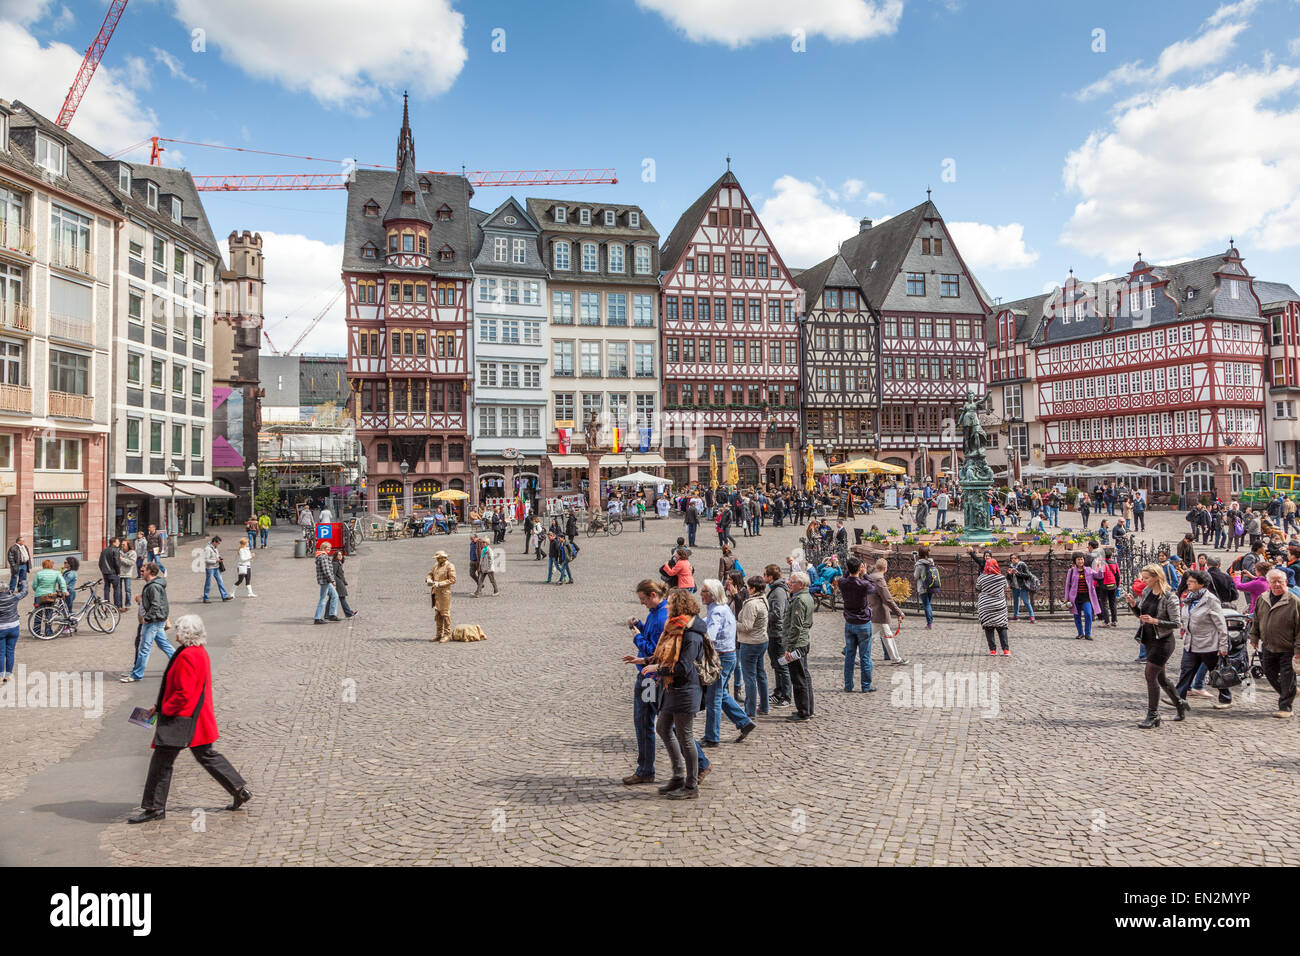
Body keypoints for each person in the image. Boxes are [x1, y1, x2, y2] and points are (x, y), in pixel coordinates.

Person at [127, 614, 252, 824]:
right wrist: (158, 706)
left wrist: (164, 710)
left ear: (185, 634)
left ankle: (154, 807)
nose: (175, 633)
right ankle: (238, 789)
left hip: (182, 719)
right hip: (196, 718)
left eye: (178, 630)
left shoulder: (188, 655)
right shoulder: (197, 652)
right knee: (207, 755)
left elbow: (184, 693)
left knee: (161, 762)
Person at [640, 589, 707, 800]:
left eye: (670, 603)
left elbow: (684, 667)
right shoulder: (675, 628)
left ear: (679, 606)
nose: (666, 606)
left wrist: (657, 670)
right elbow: (665, 655)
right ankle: (678, 775)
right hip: (673, 688)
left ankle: (691, 785)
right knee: (662, 727)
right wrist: (643, 661)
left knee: (685, 736)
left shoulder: (691, 633)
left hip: (686, 690)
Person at [1125, 565, 1188, 728]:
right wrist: (1133, 605)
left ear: (1156, 577)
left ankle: (1153, 714)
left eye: (1146, 578)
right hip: (1149, 639)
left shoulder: (1170, 597)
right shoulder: (1146, 592)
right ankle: (1179, 703)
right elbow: (1142, 615)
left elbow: (1176, 623)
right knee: (1161, 678)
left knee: (1150, 675)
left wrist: (1156, 621)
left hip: (1164, 641)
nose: (1143, 581)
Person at [699, 579, 755, 746]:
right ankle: (744, 722)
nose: (701, 594)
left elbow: (710, 635)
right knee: (721, 693)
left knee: (713, 698)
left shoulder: (717, 611)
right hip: (728, 655)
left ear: (712, 594)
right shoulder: (719, 608)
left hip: (721, 657)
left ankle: (712, 737)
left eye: (704, 591)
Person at [623, 580, 669, 785]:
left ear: (652, 595)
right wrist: (639, 625)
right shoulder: (656, 614)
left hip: (650, 679)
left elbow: (652, 651)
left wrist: (636, 635)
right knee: (655, 722)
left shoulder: (661, 617)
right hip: (649, 677)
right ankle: (645, 769)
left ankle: (645, 769)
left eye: (643, 599)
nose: (642, 603)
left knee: (645, 722)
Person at [1175, 570, 1232, 710]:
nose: (1188, 583)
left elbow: (1221, 624)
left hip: (1208, 644)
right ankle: (1178, 699)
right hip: (1191, 642)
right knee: (1186, 670)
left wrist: (1223, 645)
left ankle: (1226, 698)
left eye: (1192, 581)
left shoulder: (1211, 600)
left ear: (1201, 584)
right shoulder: (1189, 598)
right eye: (1188, 581)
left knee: (1215, 672)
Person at [1249, 568, 1300, 718]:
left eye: (1280, 581)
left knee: (1286, 676)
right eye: (1274, 581)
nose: (1277, 584)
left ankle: (1285, 706)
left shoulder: (1294, 601)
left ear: (1286, 582)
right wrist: (1254, 637)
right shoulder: (1263, 598)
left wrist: (1298, 650)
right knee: (1269, 673)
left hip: (1287, 647)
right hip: (1268, 644)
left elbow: (1299, 628)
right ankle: (1289, 692)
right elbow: (1257, 619)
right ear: (1269, 583)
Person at [122, 563, 173, 683]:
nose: (140, 572)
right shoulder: (152, 585)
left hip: (153, 621)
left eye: (142, 570)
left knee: (144, 648)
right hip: (155, 620)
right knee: (164, 645)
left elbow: (156, 604)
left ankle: (136, 674)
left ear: (150, 572)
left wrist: (147, 617)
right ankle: (181, 663)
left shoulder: (153, 586)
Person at [837, 555, 877, 692]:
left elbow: (844, 576)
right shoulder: (864, 584)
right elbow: (873, 588)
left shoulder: (842, 582)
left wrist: (852, 570)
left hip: (849, 622)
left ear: (847, 568)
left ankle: (848, 685)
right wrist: (865, 574)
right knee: (865, 656)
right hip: (863, 623)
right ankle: (866, 686)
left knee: (849, 656)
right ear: (860, 569)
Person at [782, 571, 815, 721]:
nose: (789, 583)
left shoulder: (799, 600)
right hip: (803, 641)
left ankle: (803, 712)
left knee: (799, 678)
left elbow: (796, 626)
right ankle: (809, 708)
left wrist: (789, 647)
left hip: (797, 644)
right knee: (805, 676)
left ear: (801, 585)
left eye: (792, 582)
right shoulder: (808, 597)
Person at [735, 575, 770, 720]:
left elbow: (747, 627)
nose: (747, 590)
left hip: (751, 643)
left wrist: (733, 623)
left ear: (753, 588)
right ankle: (764, 706)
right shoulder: (763, 600)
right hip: (761, 640)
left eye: (749, 587)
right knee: (760, 673)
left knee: (750, 677)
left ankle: (750, 710)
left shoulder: (751, 604)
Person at [866, 556, 907, 665]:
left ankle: (895, 658)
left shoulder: (870, 577)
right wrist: (899, 612)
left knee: (886, 635)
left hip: (872, 610)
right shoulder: (879, 579)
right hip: (879, 612)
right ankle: (857, 656)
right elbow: (888, 599)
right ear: (885, 568)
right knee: (870, 637)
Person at [764, 564, 793, 707]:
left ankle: (786, 697)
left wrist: (762, 614)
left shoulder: (778, 592)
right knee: (776, 664)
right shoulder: (774, 590)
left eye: (765, 575)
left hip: (778, 633)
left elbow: (777, 613)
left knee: (782, 665)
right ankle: (778, 693)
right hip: (773, 632)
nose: (764, 578)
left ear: (770, 577)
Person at [973, 554, 1011, 655]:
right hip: (999, 606)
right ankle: (1006, 650)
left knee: (988, 627)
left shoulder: (981, 578)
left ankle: (992, 650)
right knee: (1002, 626)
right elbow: (1005, 588)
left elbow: (977, 588)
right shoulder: (1001, 578)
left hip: (985, 606)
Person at [1065, 551, 1102, 640]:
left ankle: (1088, 633)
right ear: (1075, 561)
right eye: (1078, 559)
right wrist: (1066, 598)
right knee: (1076, 615)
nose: (1080, 561)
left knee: (1088, 614)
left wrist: (1099, 567)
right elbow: (1067, 585)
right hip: (1075, 596)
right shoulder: (1071, 571)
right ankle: (1080, 633)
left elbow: (1099, 576)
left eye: (1082, 559)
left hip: (1086, 597)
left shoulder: (1089, 570)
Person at [425, 550, 456, 641]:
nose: (437, 560)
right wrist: (429, 579)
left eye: (438, 558)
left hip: (444, 593)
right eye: (437, 558)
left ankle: (446, 634)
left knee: (445, 614)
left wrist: (440, 583)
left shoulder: (450, 566)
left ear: (444, 558)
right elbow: (430, 574)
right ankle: (439, 634)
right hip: (435, 592)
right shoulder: (436, 565)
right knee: (437, 613)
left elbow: (452, 579)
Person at [0, 580, 26, 682]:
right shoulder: (14, 597)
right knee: (10, 651)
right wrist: (23, 582)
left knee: (1, 652)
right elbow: (25, 592)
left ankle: (0, 675)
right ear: (8, 590)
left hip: (1, 628)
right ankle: (8, 675)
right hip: (13, 627)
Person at [314, 541, 341, 624]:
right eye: (327, 548)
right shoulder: (323, 557)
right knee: (322, 599)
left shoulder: (323, 556)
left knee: (335, 596)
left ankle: (332, 615)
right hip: (325, 581)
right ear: (323, 548)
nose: (329, 549)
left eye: (330, 547)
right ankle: (317, 618)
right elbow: (326, 570)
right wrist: (332, 580)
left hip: (326, 581)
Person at [912, 546, 939, 629]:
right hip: (931, 586)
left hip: (922, 587)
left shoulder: (919, 564)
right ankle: (930, 620)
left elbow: (916, 577)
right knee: (928, 604)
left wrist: (915, 568)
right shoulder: (931, 562)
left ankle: (929, 623)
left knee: (926, 605)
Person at [1006, 551, 1037, 623]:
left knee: (1026, 601)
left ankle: (1032, 616)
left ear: (1019, 559)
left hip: (1022, 586)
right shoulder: (1011, 566)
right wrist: (1009, 574)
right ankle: (1016, 615)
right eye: (1012, 558)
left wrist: (1017, 573)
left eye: (1015, 558)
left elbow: (1028, 575)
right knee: (1015, 601)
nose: (1013, 559)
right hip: (1014, 586)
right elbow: (1008, 577)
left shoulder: (1022, 565)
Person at [201, 536, 232, 603]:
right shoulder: (207, 549)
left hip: (216, 568)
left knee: (220, 582)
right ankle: (205, 598)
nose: (218, 545)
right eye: (218, 543)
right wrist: (216, 560)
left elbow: (216, 555)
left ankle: (224, 596)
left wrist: (219, 558)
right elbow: (206, 560)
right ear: (214, 542)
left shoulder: (215, 548)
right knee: (208, 583)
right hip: (210, 568)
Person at [332, 550, 358, 619]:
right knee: (342, 597)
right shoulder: (335, 563)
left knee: (332, 598)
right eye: (338, 555)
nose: (340, 556)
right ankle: (348, 613)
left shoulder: (339, 563)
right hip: (338, 583)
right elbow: (333, 574)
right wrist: (335, 582)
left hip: (340, 582)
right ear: (335, 556)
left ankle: (326, 614)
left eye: (341, 555)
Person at [98, 537, 122, 611]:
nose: (119, 543)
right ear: (113, 542)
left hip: (105, 573)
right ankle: (117, 606)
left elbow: (100, 563)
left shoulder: (104, 550)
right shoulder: (115, 550)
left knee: (106, 589)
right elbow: (117, 563)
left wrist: (103, 570)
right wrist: (118, 572)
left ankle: (107, 606)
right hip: (113, 573)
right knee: (116, 590)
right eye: (118, 542)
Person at [118, 537, 137, 610]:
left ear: (128, 545)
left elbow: (131, 563)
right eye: (122, 545)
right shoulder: (119, 552)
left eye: (124, 545)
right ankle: (119, 605)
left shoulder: (132, 553)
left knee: (127, 590)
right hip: (119, 573)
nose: (122, 546)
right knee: (119, 590)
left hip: (127, 573)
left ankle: (127, 604)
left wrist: (121, 559)